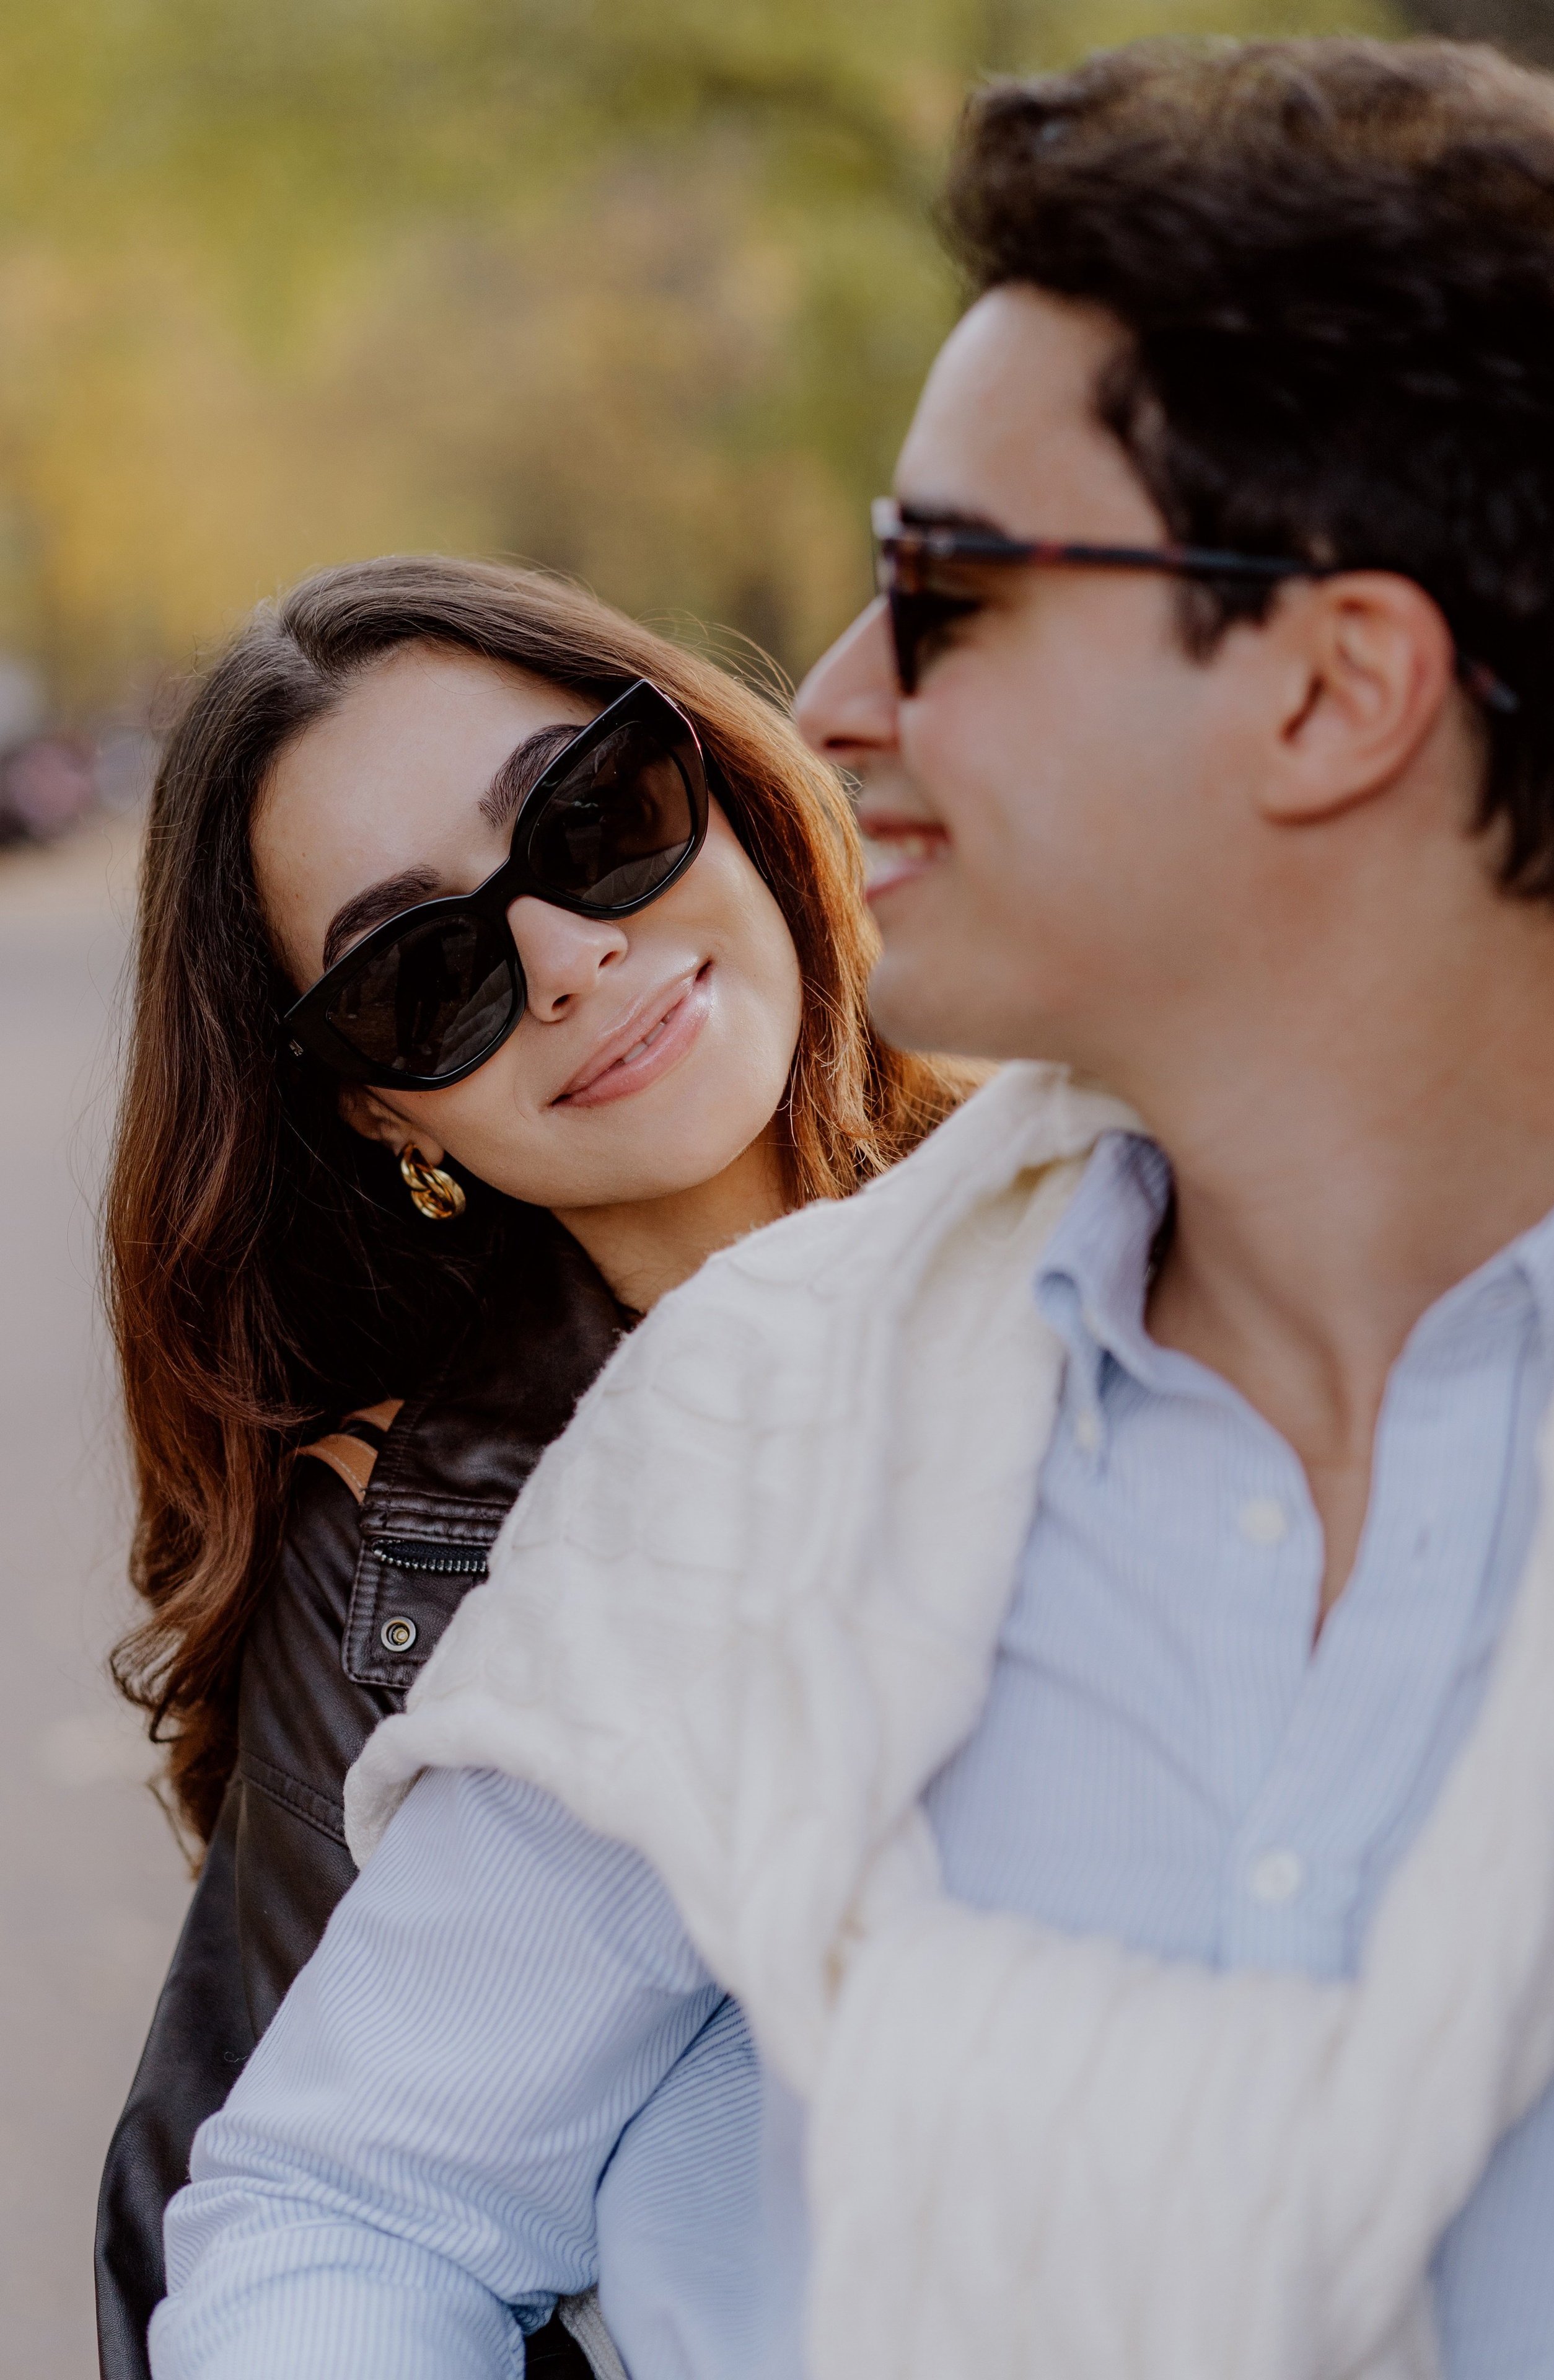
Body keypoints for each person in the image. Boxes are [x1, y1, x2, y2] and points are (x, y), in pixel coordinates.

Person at [150, 35, 1554, 2380]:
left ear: (1343, 691)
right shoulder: (720, 1437)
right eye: (421, 975)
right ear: (381, 1113)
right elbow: (334, 2201)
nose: (827, 699)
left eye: (955, 593)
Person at [92, 553, 973, 2380]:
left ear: (716, 780)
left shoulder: (1157, 1213)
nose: (568, 959)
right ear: (381, 1108)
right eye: (424, 976)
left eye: (592, 817)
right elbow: (267, 2243)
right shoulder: (396, 1555)